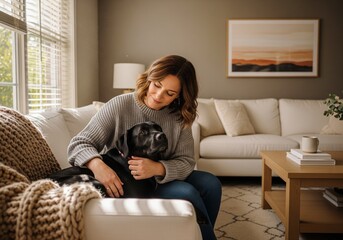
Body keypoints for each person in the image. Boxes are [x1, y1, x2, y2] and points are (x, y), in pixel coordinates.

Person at [68, 55, 222, 240]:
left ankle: (201, 234)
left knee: (211, 184)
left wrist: (158, 168)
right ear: (149, 78)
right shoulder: (120, 105)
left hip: (160, 177)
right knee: (186, 192)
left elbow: (187, 161)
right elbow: (80, 143)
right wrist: (98, 166)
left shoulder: (179, 116)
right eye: (157, 85)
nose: (158, 96)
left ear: (180, 95)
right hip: (130, 182)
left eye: (170, 93)